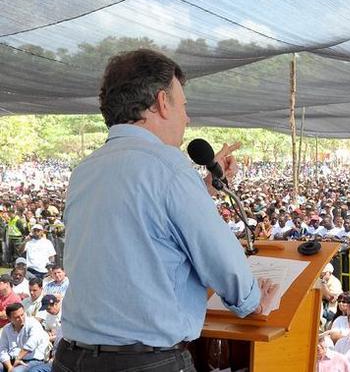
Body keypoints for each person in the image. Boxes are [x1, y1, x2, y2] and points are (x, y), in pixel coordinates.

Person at [57, 49, 278, 370]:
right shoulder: (169, 167)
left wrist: (204, 190)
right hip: (145, 362)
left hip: (71, 358)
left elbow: (135, 224)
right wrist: (253, 300)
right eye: (184, 106)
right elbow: (225, 263)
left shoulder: (86, 170)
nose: (187, 119)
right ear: (162, 102)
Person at [0, 303, 49, 372]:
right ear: (9, 318)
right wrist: (9, 367)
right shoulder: (6, 329)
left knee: (16, 371)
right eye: (17, 317)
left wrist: (18, 358)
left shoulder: (33, 323)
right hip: (12, 360)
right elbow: (3, 350)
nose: (21, 318)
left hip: (32, 360)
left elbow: (31, 343)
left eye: (22, 315)